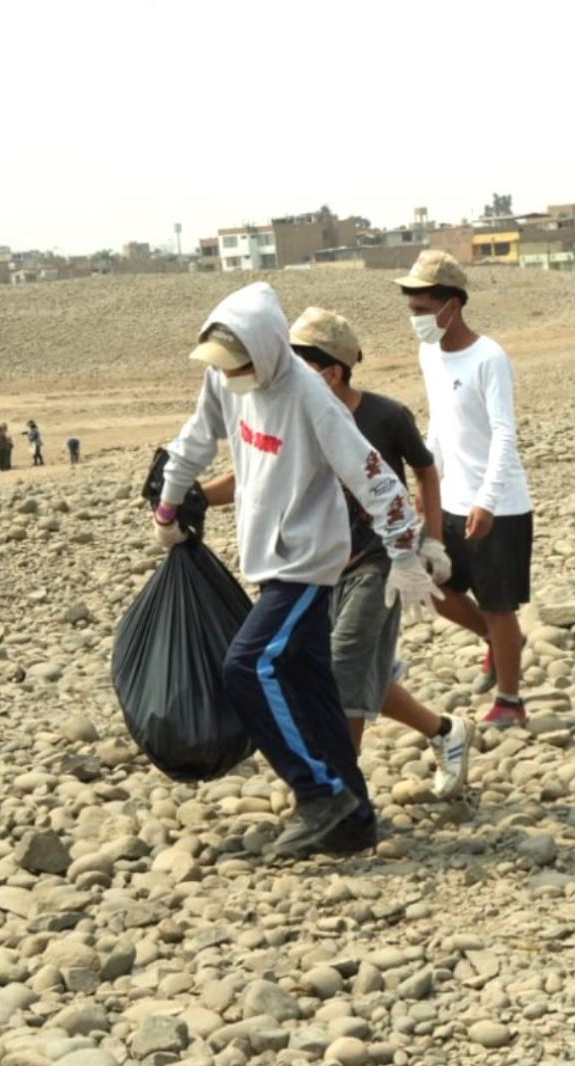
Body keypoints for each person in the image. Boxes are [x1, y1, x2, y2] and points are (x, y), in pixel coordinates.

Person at [152, 282, 441, 859]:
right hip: (266, 556)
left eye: (239, 363)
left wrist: (407, 553)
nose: (231, 374)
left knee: (248, 667)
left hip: (310, 561)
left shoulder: (308, 393)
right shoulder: (223, 379)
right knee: (313, 690)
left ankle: (318, 793)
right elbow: (194, 440)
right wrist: (170, 504)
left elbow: (373, 474)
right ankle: (354, 820)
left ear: (263, 349)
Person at [199, 306, 472, 800]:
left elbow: (422, 471)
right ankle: (445, 731)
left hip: (378, 563)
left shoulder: (384, 415)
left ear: (333, 370)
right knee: (344, 671)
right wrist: (193, 496)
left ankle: (344, 795)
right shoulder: (290, 405)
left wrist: (431, 540)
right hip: (321, 567)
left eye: (302, 360)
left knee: (344, 673)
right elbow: (253, 473)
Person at [396, 249, 535, 729]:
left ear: (451, 305)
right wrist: (426, 479)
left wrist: (488, 499)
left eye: (421, 309)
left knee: (499, 604)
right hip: (449, 497)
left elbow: (504, 432)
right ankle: (502, 645)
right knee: (431, 585)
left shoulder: (489, 357)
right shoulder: (428, 353)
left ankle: (511, 701)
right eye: (411, 310)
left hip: (499, 506)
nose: (415, 320)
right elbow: (438, 417)